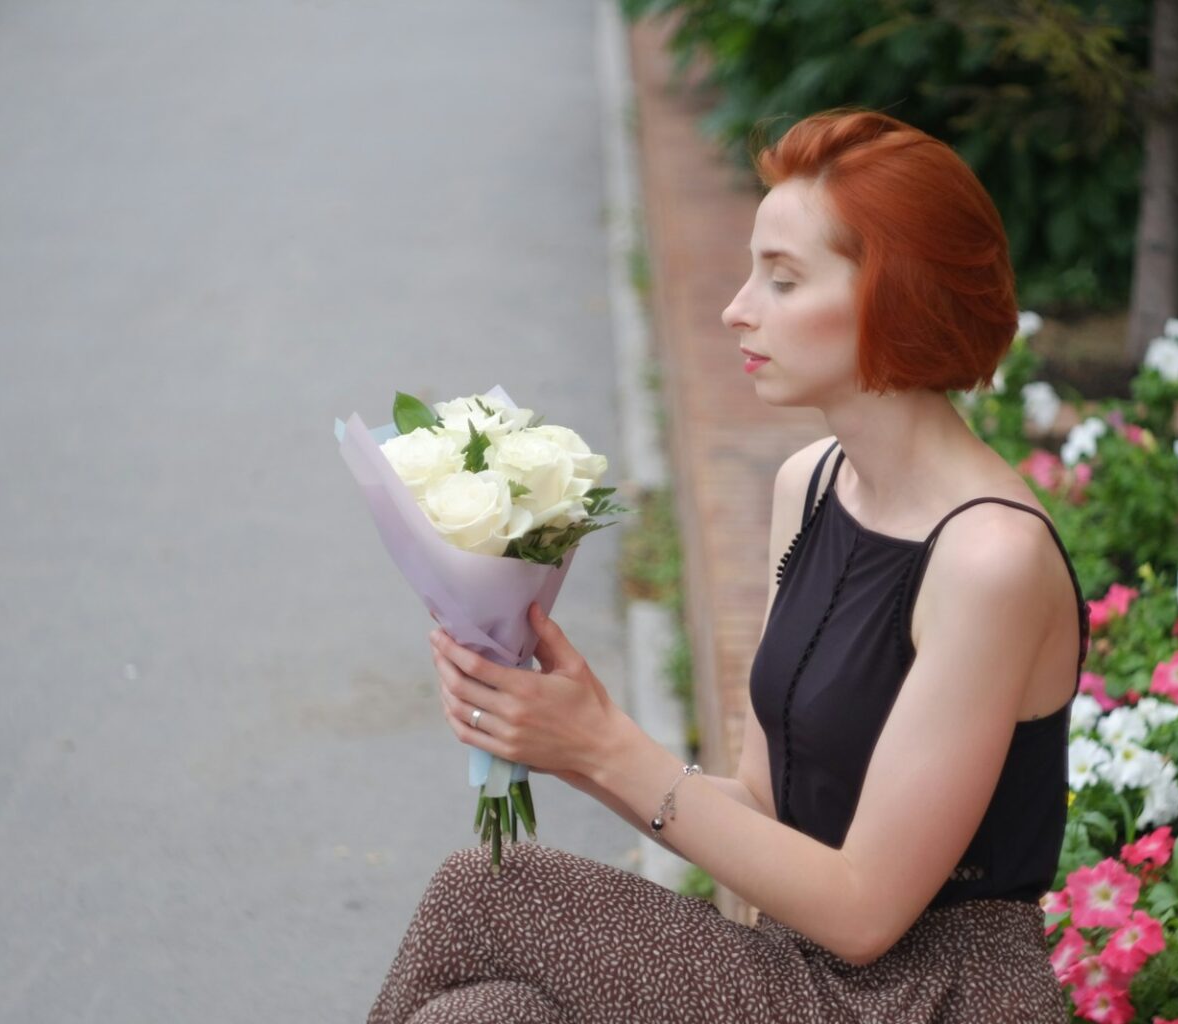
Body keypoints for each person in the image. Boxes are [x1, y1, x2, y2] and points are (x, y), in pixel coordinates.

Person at [366, 107, 1089, 1024]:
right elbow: (760, 806)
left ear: (896, 297)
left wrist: (606, 747)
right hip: (793, 973)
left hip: (931, 996)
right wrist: (562, 735)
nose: (737, 307)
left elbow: (866, 912)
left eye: (782, 280)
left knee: (486, 891)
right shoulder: (811, 485)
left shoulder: (991, 558)